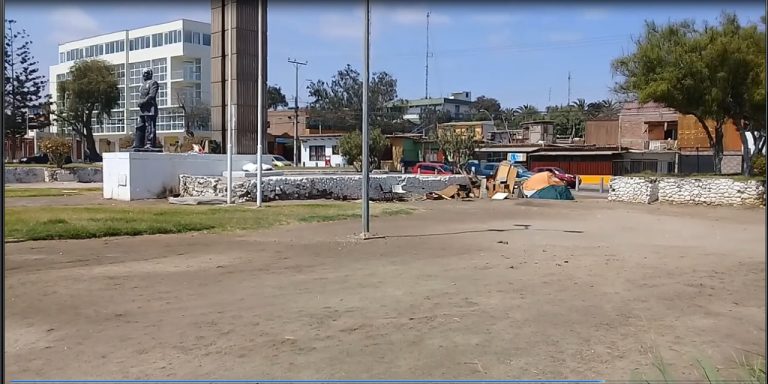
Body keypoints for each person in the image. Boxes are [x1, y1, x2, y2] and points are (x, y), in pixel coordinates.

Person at [133, 69, 161, 150]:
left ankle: (150, 144)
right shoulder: (142, 85)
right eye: (143, 74)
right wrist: (139, 102)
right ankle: (138, 143)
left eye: (146, 73)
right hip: (142, 109)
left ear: (150, 74)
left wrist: (143, 102)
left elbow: (152, 95)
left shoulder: (153, 83)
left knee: (150, 126)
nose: (144, 75)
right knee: (139, 125)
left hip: (150, 109)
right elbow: (141, 96)